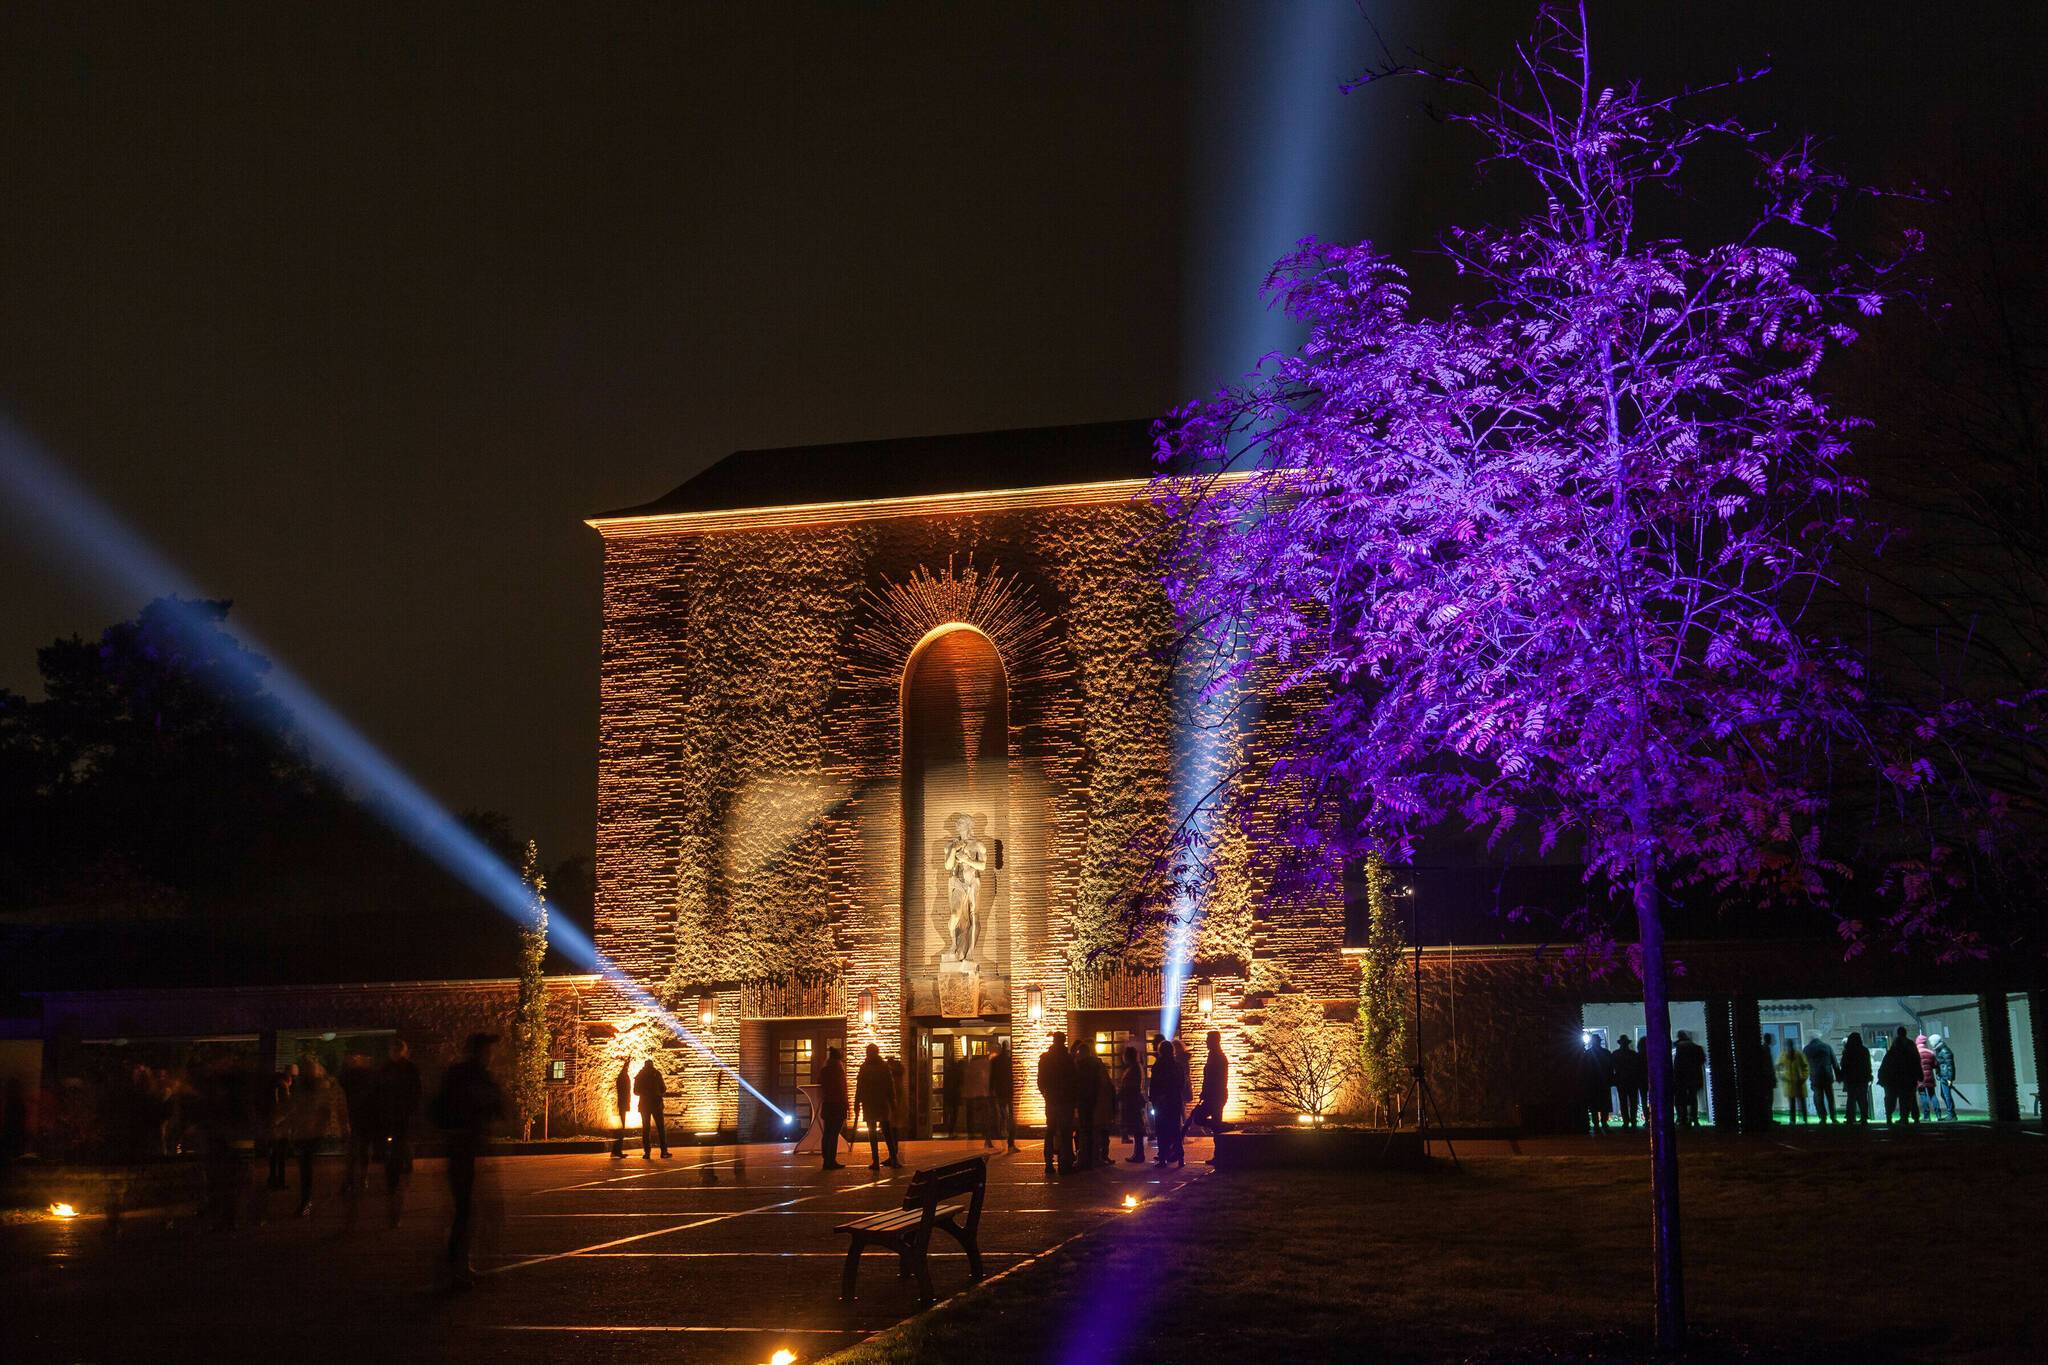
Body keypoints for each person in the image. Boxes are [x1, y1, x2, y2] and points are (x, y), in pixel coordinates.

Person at [432, 1032, 505, 1288]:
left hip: (468, 1147)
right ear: (480, 1051)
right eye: (489, 1050)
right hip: (464, 1147)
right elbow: (495, 1106)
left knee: (467, 1207)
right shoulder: (471, 1076)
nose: (492, 1056)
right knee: (465, 1209)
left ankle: (460, 1262)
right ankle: (457, 1265)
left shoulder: (465, 1074)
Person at [284, 1057, 347, 1217]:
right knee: (311, 1168)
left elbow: (335, 1108)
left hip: (316, 1133)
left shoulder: (321, 1087)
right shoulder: (322, 1087)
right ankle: (310, 1201)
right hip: (311, 1133)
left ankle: (310, 1201)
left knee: (313, 1168)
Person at [376, 1039, 422, 1227]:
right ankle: (398, 1177)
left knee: (397, 1153)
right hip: (397, 1120)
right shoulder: (404, 1069)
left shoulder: (390, 1069)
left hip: (396, 1119)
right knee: (399, 1153)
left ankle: (395, 1178)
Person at [338, 1052, 379, 1204]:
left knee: (357, 1150)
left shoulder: (358, 1076)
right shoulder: (356, 1076)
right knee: (357, 1150)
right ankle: (357, 1179)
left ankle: (355, 1179)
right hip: (360, 1118)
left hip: (360, 1117)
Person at [854, 1043, 898, 1169]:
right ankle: (893, 1158)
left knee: (872, 1132)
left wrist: (857, 1103)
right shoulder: (884, 1067)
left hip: (869, 1103)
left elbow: (859, 1087)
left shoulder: (864, 1067)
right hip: (882, 1102)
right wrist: (892, 1101)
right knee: (887, 1132)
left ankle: (875, 1160)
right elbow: (890, 1086)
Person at [1037, 1033, 1074, 1174]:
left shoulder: (1045, 1058)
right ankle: (1064, 1163)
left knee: (1050, 1130)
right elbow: (1073, 1080)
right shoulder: (1068, 1058)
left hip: (1052, 1099)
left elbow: (1040, 1080)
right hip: (1065, 1100)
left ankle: (1048, 1161)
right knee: (1065, 1131)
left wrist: (1046, 1094)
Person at [1185, 1032, 1231, 1138]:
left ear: (1214, 1041)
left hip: (1215, 1095)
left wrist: (1206, 1092)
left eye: (1208, 1040)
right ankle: (1220, 1127)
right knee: (1207, 1119)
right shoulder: (1214, 1056)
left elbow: (1215, 1079)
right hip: (1214, 1095)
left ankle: (1223, 1128)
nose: (1206, 1042)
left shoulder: (1218, 1057)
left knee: (1202, 1118)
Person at [1150, 1035, 1185, 1168]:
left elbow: (1155, 1085)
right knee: (1175, 1129)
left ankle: (1163, 1158)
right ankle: (1180, 1156)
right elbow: (1182, 1083)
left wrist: (1153, 1098)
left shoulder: (1158, 1065)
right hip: (1174, 1101)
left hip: (1161, 1102)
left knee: (1161, 1130)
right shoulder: (1177, 1066)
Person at [1878, 1027, 1921, 1126]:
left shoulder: (1894, 1048)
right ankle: (1908, 1117)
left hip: (1893, 1078)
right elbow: (1916, 1061)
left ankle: (1889, 1117)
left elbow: (1886, 1063)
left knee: (1891, 1099)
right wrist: (1919, 1074)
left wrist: (1882, 1077)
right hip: (1908, 1077)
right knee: (1908, 1099)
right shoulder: (1910, 1046)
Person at [1070, 1041, 1101, 1170]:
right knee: (1091, 1130)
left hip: (1083, 1102)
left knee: (1083, 1130)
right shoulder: (1095, 1066)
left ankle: (1083, 1158)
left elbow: (1076, 1084)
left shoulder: (1079, 1066)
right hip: (1093, 1101)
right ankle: (1093, 1157)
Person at [265, 1064, 297, 1192]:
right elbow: (286, 1106)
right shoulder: (283, 1086)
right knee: (281, 1153)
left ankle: (273, 1178)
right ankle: (280, 1181)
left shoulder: (275, 1085)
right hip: (280, 1124)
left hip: (274, 1122)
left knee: (274, 1152)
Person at [817, 1046, 849, 1170]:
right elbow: (842, 1089)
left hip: (827, 1104)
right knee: (834, 1133)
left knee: (827, 1132)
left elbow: (819, 1082)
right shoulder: (839, 1070)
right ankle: (831, 1160)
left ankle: (826, 1160)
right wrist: (846, 1105)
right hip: (837, 1104)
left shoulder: (824, 1069)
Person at [634, 1059, 671, 1158]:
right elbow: (663, 1089)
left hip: (645, 1105)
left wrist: (645, 1093)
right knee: (660, 1128)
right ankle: (663, 1151)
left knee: (646, 1129)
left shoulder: (640, 1075)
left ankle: (647, 1153)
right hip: (656, 1104)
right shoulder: (656, 1074)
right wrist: (657, 1094)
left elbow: (635, 1091)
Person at [1671, 1031, 1707, 1128]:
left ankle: (1681, 1118)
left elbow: (1675, 1065)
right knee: (1693, 1098)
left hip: (1680, 1078)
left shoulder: (1677, 1048)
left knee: (1680, 1099)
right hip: (1694, 1077)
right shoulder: (1696, 1048)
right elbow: (1702, 1061)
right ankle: (1694, 1118)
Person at [1118, 1046, 1147, 1163]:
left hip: (1132, 1100)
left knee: (1137, 1128)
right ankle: (1138, 1153)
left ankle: (1139, 1154)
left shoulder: (1133, 1069)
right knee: (1137, 1128)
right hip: (1133, 1100)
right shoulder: (1135, 1067)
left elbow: (1129, 1086)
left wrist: (1120, 1094)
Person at [1611, 1036, 1647, 1130]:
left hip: (1621, 1081)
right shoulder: (1633, 1054)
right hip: (1632, 1081)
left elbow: (1613, 1067)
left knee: (1623, 1102)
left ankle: (1626, 1122)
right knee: (1633, 1102)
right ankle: (1633, 1121)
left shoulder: (1615, 1054)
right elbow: (1637, 1067)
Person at [1802, 1034, 1839, 1125]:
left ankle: (1823, 1117)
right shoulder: (1827, 1047)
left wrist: (1804, 1077)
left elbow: (1803, 1065)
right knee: (1830, 1098)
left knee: (1819, 1098)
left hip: (1815, 1077)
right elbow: (1834, 1063)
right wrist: (1838, 1075)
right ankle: (1833, 1117)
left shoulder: (1807, 1049)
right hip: (1827, 1076)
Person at [989, 1038, 1018, 1152]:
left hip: (999, 1092)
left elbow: (992, 1078)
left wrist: (991, 1090)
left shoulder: (995, 1061)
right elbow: (1011, 1077)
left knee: (1002, 1116)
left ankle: (1000, 1137)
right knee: (1009, 1117)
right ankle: (1009, 1143)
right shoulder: (1009, 1061)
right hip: (1007, 1092)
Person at [1582, 1035, 1615, 1132]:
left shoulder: (1587, 1053)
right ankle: (1604, 1122)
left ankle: (1596, 1123)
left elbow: (1585, 1069)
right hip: (1603, 1081)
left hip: (1592, 1082)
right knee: (1604, 1103)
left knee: (1594, 1104)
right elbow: (1610, 1068)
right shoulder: (1606, 1053)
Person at [961, 1046, 992, 1148]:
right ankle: (987, 1137)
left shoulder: (969, 1066)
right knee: (985, 1117)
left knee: (971, 1117)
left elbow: (965, 1082)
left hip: (970, 1095)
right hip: (982, 1095)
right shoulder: (986, 1065)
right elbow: (986, 1081)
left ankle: (971, 1136)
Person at [1840, 1031, 1873, 1124]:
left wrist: (1842, 1076)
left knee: (1851, 1098)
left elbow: (1844, 1065)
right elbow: (1867, 1064)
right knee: (1862, 1099)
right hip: (1863, 1078)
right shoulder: (1864, 1050)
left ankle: (1851, 1118)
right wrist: (1869, 1075)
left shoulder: (1848, 1051)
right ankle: (1864, 1118)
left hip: (1851, 1078)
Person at [1776, 1038, 1810, 1124]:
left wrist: (1803, 1077)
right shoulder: (1783, 1055)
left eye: (1790, 1045)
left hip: (1799, 1082)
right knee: (1792, 1103)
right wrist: (1782, 1076)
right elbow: (1778, 1067)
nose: (1789, 1047)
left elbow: (1806, 1066)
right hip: (1790, 1083)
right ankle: (1793, 1120)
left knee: (1802, 1103)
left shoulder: (1799, 1054)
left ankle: (1804, 1119)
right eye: (1788, 1045)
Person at [1093, 1051, 1117, 1165]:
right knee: (1103, 1133)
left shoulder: (1095, 1076)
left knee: (1099, 1133)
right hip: (1103, 1108)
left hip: (1099, 1108)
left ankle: (1099, 1156)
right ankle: (1102, 1156)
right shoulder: (1104, 1080)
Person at [885, 1055, 910, 1161]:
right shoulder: (898, 1081)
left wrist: (893, 1107)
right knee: (893, 1131)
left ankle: (893, 1156)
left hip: (892, 1110)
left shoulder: (894, 1082)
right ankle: (893, 1155)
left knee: (891, 1132)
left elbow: (895, 1096)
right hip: (895, 1109)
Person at [1930, 1033, 1958, 1120]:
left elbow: (1950, 1065)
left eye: (1931, 1041)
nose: (1930, 1043)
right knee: (1944, 1095)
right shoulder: (1939, 1050)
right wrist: (1938, 1072)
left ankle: (1951, 1114)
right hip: (1943, 1075)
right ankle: (1951, 1113)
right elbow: (1940, 1063)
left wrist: (1950, 1078)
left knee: (1946, 1095)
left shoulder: (1944, 1051)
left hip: (1946, 1076)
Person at [611, 1059, 632, 1159]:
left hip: (623, 1104)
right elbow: (624, 1091)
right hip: (622, 1104)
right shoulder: (623, 1077)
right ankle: (617, 1150)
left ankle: (616, 1150)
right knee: (621, 1128)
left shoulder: (622, 1076)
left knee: (621, 1128)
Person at [1914, 1032, 1938, 1120]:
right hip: (1930, 1077)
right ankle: (1938, 1114)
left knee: (1923, 1095)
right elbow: (1935, 1065)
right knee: (1932, 1095)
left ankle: (1927, 1116)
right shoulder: (1931, 1052)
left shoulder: (1916, 1053)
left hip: (1920, 1077)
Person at [942, 1045, 963, 1135]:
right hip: (954, 1095)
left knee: (950, 1112)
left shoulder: (947, 1070)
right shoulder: (957, 1070)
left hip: (949, 1094)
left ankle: (949, 1129)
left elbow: (945, 1082)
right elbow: (960, 1082)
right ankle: (951, 1129)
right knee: (954, 1113)